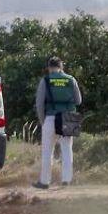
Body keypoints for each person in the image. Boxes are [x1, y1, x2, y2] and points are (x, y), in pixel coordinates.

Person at [33, 57, 82, 189]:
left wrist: (43, 120)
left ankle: (44, 182)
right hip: (68, 117)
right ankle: (66, 180)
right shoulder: (71, 79)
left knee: (47, 151)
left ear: (49, 67)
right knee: (67, 150)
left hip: (51, 117)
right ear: (61, 67)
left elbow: (39, 103)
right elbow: (78, 101)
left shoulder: (45, 80)